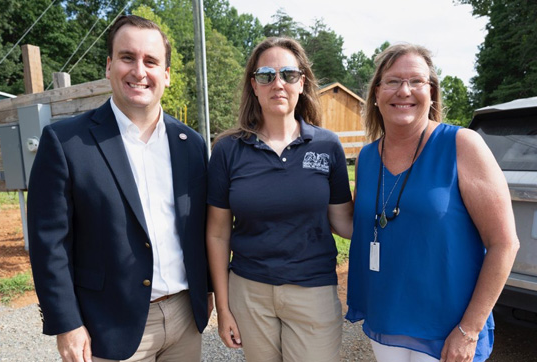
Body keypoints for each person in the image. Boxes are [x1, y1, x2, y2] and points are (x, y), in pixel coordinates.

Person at [28, 15, 211, 362]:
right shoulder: (66, 142)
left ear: (167, 75)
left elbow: (199, 226)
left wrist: (208, 292)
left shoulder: (190, 143)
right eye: (128, 57)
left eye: (151, 61)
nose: (139, 71)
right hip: (108, 326)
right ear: (110, 66)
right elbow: (48, 242)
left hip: (186, 318)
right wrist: (67, 323)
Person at [345, 43, 519, 362]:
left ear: (432, 92)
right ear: (376, 93)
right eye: (393, 81)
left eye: (416, 81)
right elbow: (356, 222)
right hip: (388, 320)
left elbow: (504, 244)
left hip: (448, 329)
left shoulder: (462, 145)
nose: (404, 90)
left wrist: (469, 330)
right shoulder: (367, 157)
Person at [206, 37, 354, 362]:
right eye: (265, 75)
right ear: (253, 86)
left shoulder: (327, 146)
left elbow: (344, 221)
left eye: (288, 74)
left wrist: (397, 216)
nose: (278, 84)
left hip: (313, 290)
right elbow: (217, 233)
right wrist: (223, 306)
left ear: (302, 82)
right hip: (250, 291)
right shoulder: (228, 149)